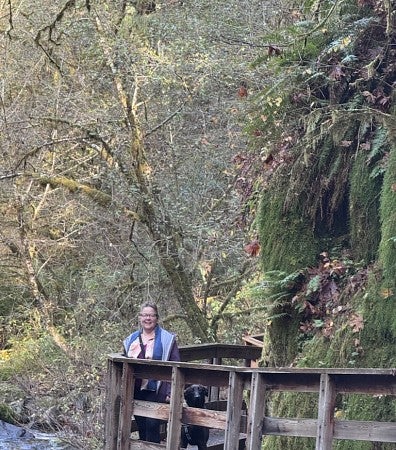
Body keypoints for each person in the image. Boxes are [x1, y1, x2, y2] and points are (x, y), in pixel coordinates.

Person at [123, 301, 180, 443]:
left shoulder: (167, 339)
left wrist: (170, 392)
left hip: (157, 390)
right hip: (136, 389)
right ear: (140, 318)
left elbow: (176, 365)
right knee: (141, 425)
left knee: (152, 425)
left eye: (151, 315)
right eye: (144, 315)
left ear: (157, 318)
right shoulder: (131, 339)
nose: (147, 319)